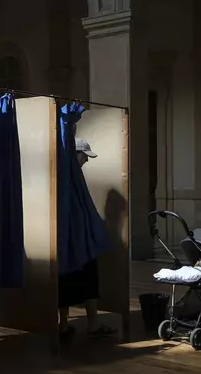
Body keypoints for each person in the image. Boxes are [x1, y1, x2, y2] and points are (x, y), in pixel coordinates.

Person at [58, 138, 117, 340]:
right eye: (85, 156)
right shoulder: (70, 177)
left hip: (67, 240)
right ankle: (92, 324)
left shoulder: (63, 176)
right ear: (75, 154)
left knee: (64, 280)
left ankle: (64, 325)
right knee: (89, 278)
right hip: (80, 239)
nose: (87, 160)